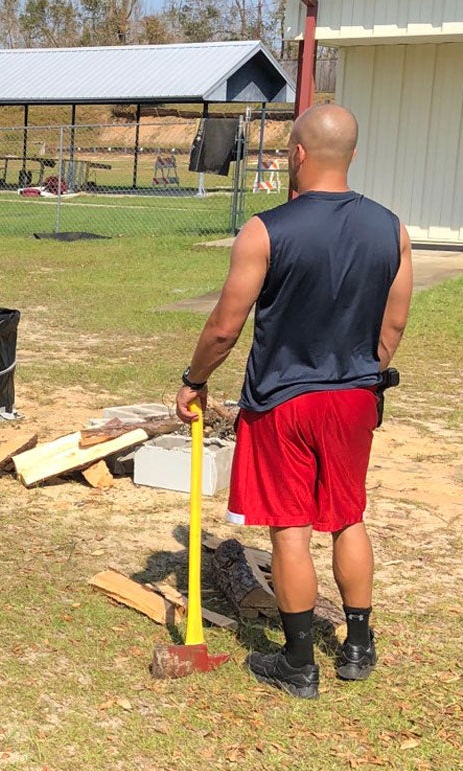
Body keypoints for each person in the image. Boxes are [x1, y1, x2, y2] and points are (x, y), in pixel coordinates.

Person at [175, 103, 413, 700]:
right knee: (348, 516)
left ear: (297, 155)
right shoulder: (392, 228)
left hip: (284, 400)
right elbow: (394, 325)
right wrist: (363, 376)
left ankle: (299, 661)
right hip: (356, 395)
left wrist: (194, 378)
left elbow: (226, 327)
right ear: (351, 155)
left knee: (290, 527)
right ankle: (358, 647)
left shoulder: (265, 230)